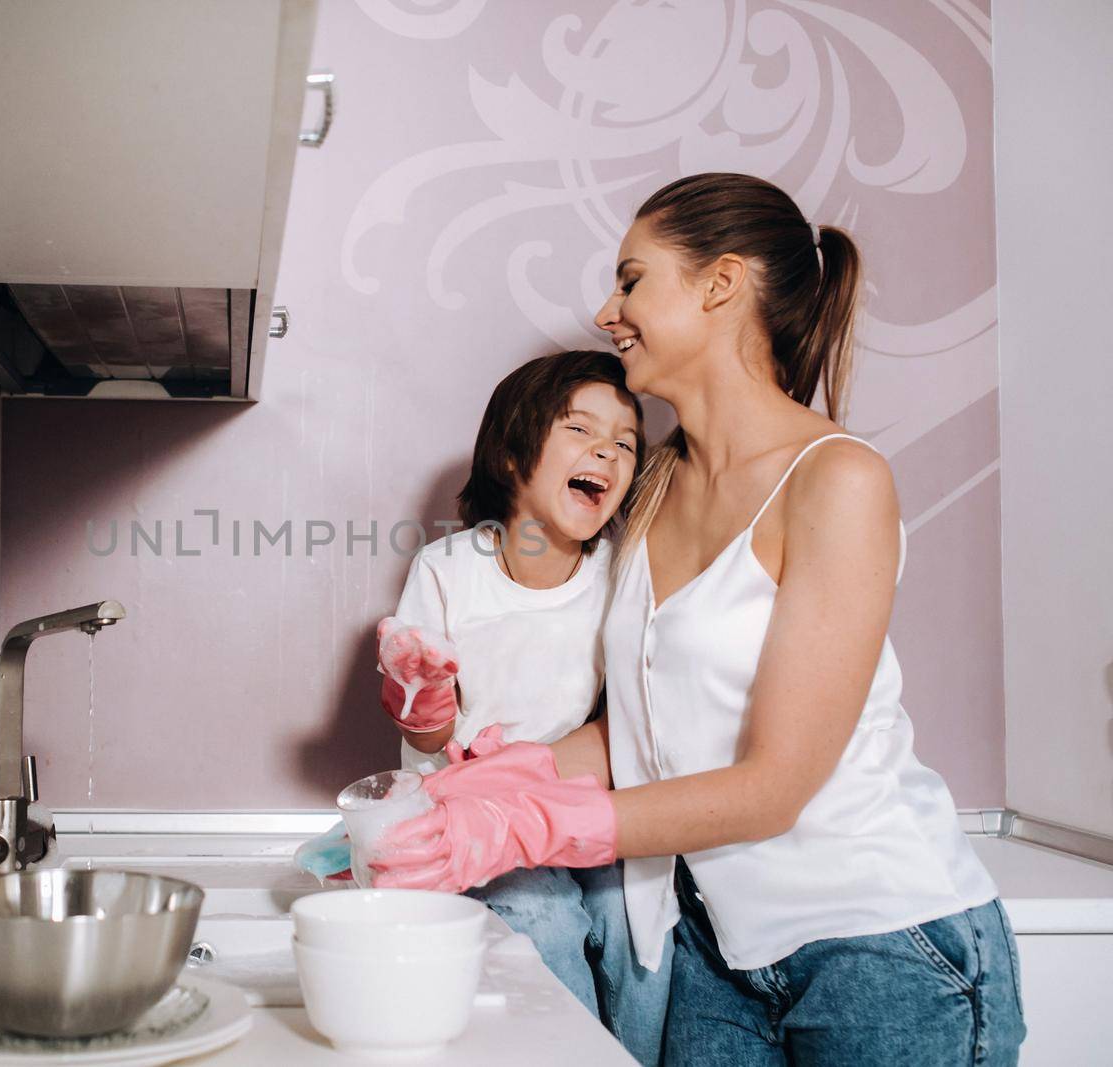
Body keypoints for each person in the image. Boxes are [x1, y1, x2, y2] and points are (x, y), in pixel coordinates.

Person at [372, 173, 1025, 1066]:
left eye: (631, 278)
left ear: (719, 285)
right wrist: (491, 779)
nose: (608, 312)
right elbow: (649, 726)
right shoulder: (650, 492)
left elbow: (773, 785)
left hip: (884, 951)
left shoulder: (837, 481)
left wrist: (540, 821)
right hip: (716, 955)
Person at [375, 350, 671, 1065]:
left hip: (587, 803)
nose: (606, 448)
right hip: (484, 822)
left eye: (625, 441)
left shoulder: (624, 568)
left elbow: (636, 709)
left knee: (639, 926)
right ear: (510, 456)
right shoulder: (447, 570)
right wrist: (421, 697)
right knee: (540, 916)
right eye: (579, 428)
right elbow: (430, 733)